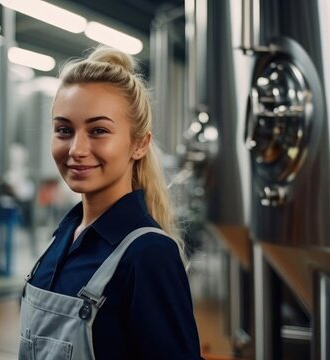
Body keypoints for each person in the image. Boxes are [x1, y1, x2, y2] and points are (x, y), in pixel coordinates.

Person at [19, 46, 202, 360]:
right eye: (64, 130)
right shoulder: (63, 236)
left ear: (139, 144)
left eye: (98, 131)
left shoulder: (148, 255)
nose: (76, 149)